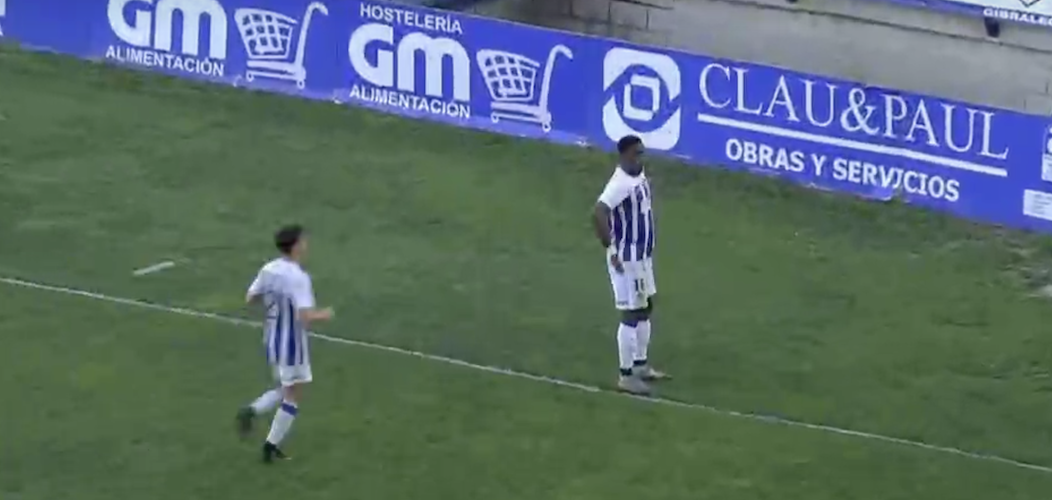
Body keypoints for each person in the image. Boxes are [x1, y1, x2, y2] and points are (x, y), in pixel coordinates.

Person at [236, 224, 334, 463]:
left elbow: (251, 298)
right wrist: (325, 314)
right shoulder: (299, 278)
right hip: (292, 344)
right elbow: (305, 317)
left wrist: (275, 303)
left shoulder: (269, 269)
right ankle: (267, 440)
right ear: (296, 246)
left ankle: (258, 419)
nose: (306, 244)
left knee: (286, 387)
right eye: (304, 241)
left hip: (272, 338)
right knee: (293, 393)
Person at [592, 135, 669, 395]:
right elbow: (599, 211)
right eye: (636, 153)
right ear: (624, 155)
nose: (640, 158)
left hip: (643, 256)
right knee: (631, 314)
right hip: (627, 258)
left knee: (646, 306)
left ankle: (640, 365)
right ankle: (626, 376)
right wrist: (611, 248)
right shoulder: (619, 184)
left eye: (642, 153)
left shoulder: (637, 174)